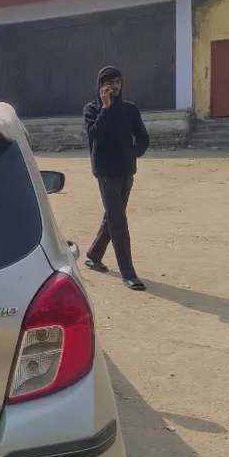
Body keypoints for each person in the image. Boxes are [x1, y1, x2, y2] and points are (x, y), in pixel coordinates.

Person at [83, 65, 149, 291]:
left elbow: (143, 138)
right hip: (105, 172)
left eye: (118, 82)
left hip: (126, 171)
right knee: (118, 220)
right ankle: (128, 273)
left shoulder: (131, 110)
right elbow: (94, 135)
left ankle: (93, 254)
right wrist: (106, 108)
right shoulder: (91, 109)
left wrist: (132, 152)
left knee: (112, 217)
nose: (114, 87)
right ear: (100, 86)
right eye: (109, 83)